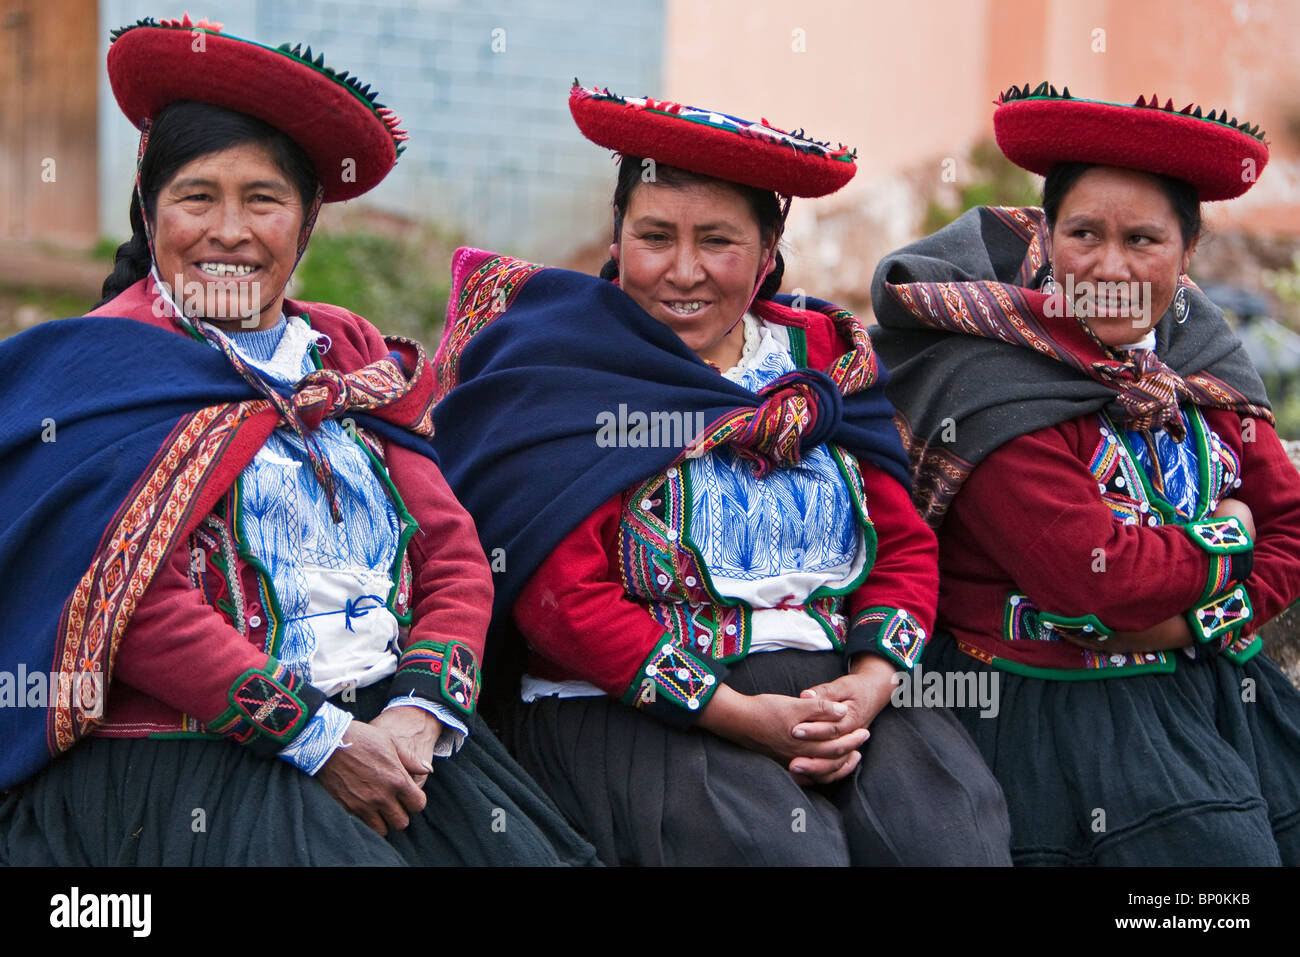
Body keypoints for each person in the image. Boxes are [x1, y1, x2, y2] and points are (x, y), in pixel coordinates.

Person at [0, 15, 595, 866]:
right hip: (194, 756)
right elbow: (136, 606)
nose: (230, 231)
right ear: (150, 209)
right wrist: (318, 738)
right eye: (197, 196)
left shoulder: (349, 357)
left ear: (307, 218)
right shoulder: (101, 370)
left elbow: (453, 555)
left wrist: (416, 713)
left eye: (264, 199)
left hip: (387, 729)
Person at [431, 84, 1012, 865]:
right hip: (627, 702)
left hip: (831, 688)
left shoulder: (821, 366)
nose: (682, 271)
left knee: (947, 837)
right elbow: (560, 596)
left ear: (770, 252)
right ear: (616, 236)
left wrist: (870, 682)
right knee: (780, 854)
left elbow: (902, 546)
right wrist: (736, 714)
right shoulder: (567, 363)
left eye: (718, 241)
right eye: (655, 236)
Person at [870, 82, 1300, 865]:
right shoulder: (993, 380)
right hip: (1046, 715)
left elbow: (1294, 524)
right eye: (1084, 233)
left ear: (1188, 252)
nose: (1108, 266)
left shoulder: (1198, 364)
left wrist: (1192, 623)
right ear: (1045, 236)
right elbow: (1095, 579)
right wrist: (1230, 539)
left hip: (1210, 687)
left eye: (1142, 239)